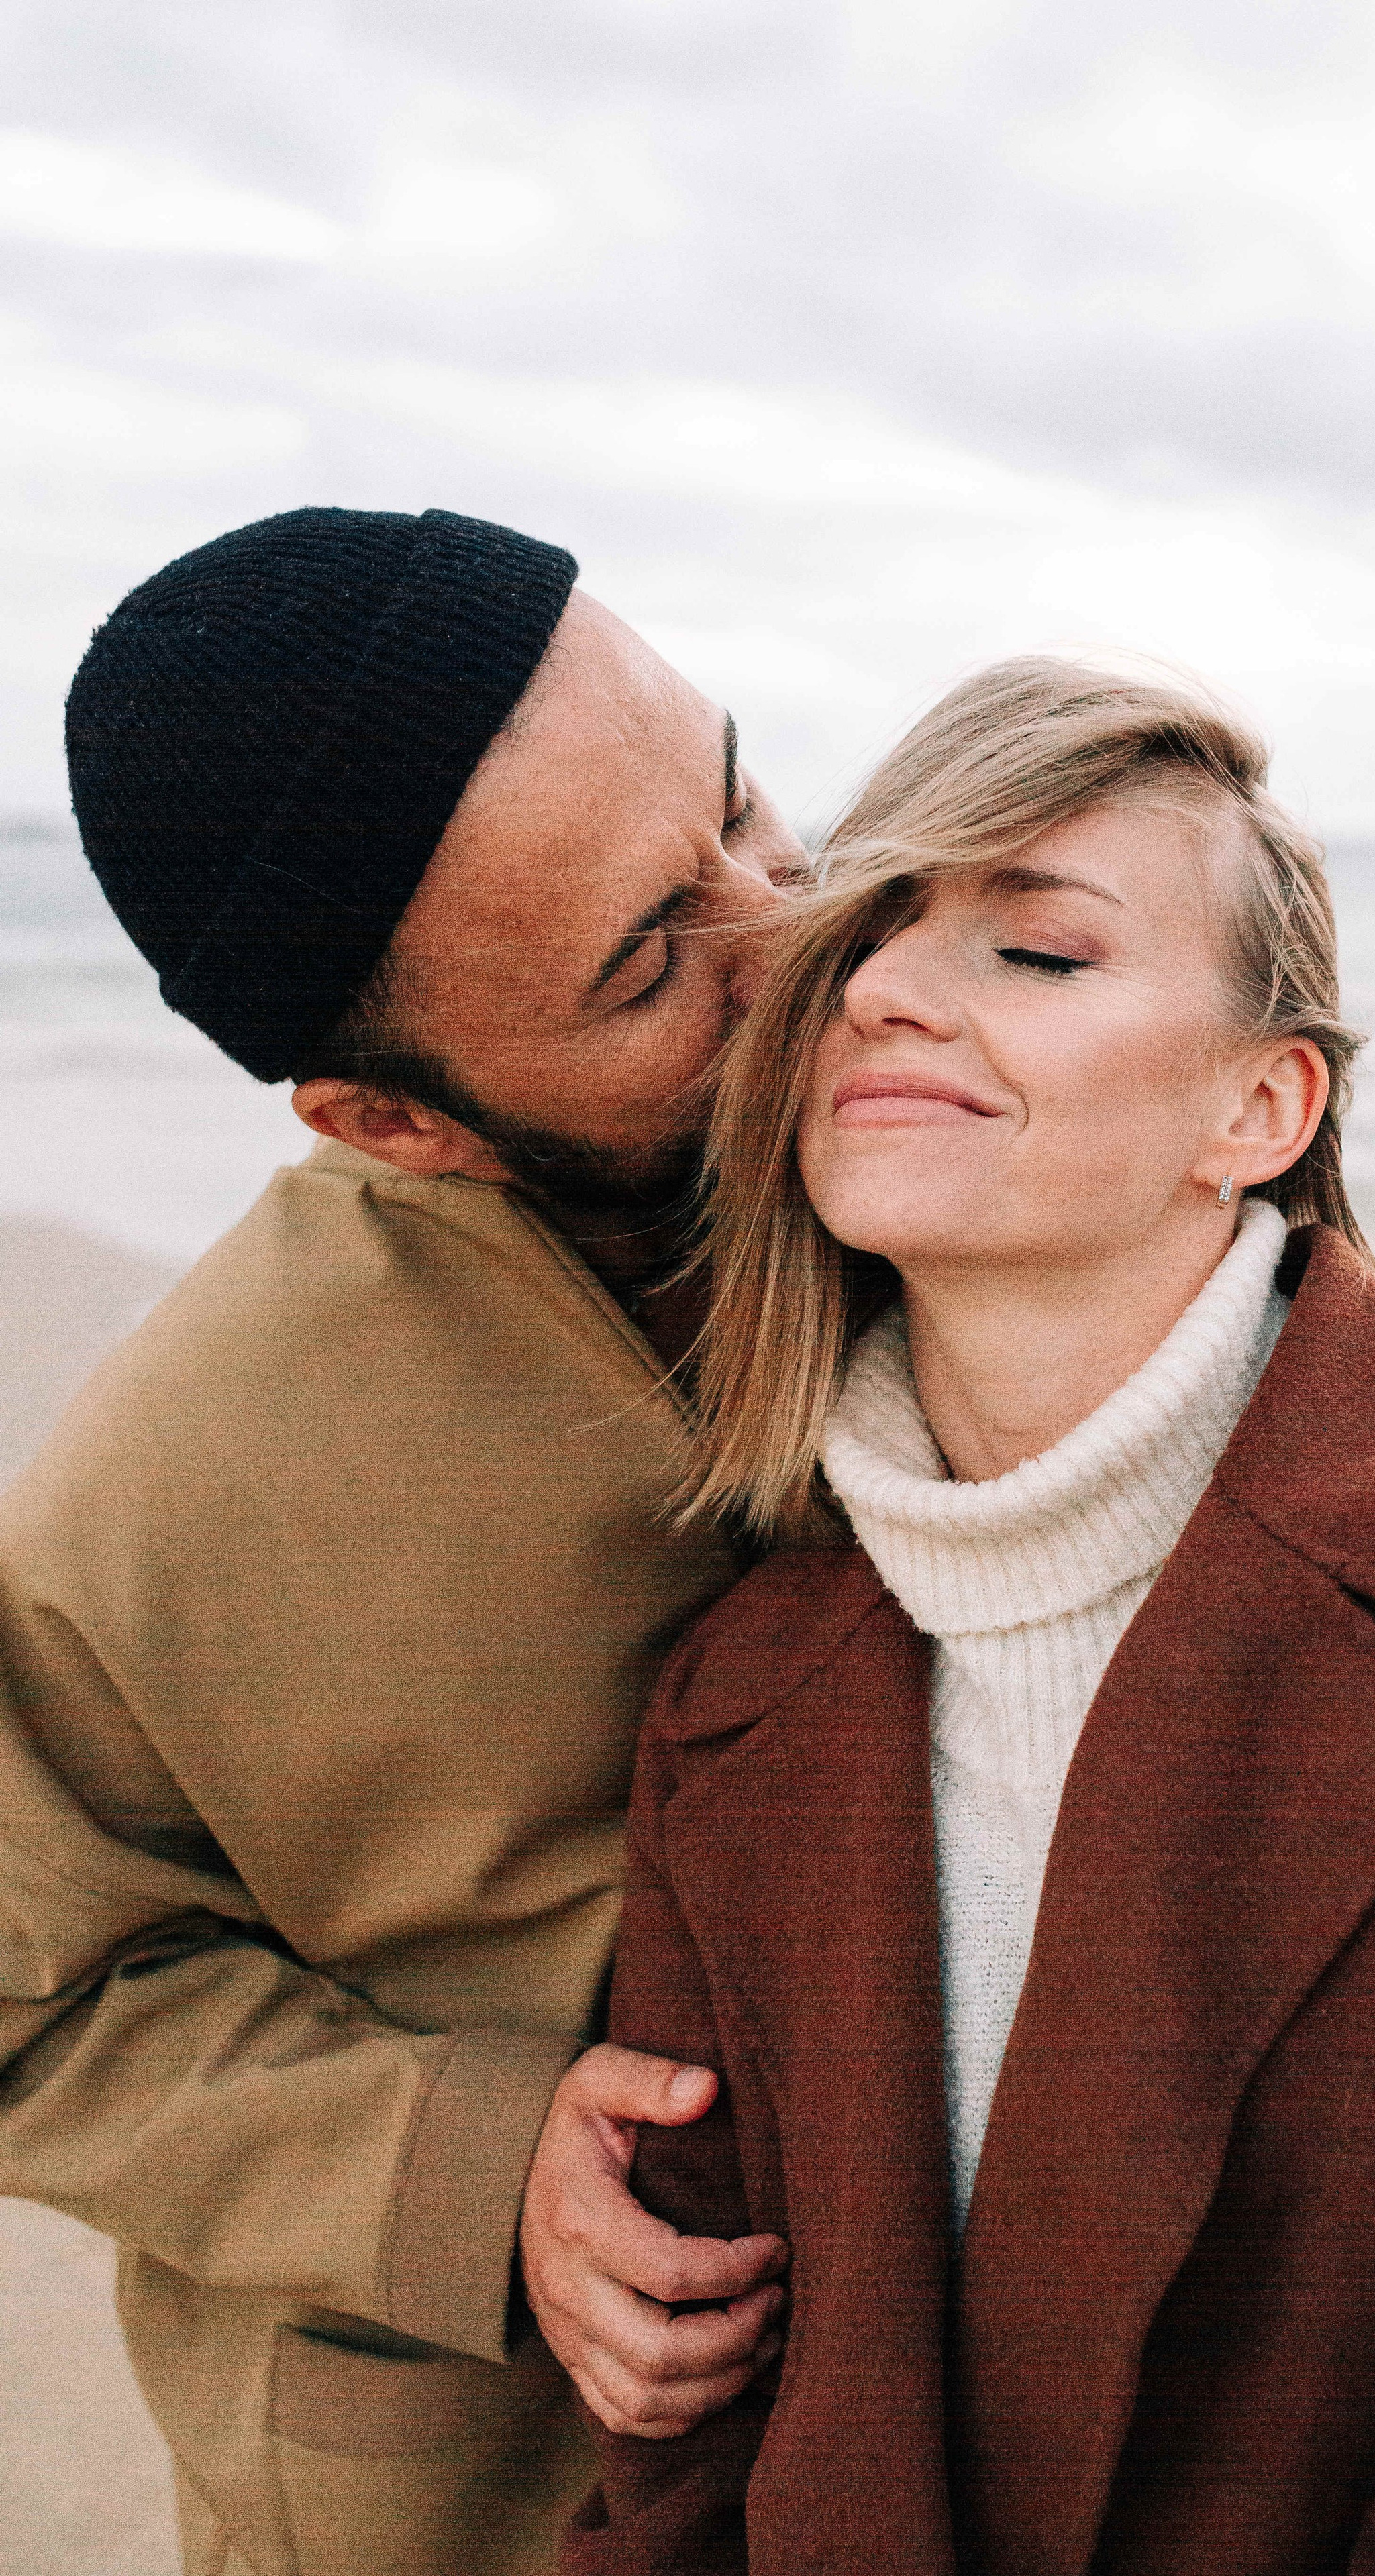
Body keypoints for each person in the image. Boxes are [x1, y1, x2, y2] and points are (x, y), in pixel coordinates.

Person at [565, 657, 1375, 2572]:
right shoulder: (733, 1689)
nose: (884, 989)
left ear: (1260, 1106)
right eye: (866, 934)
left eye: (1040, 950)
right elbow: (692, 2452)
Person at [0, 508, 799, 2576]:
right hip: (460, 2497)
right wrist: (467, 2164)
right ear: (391, 1119)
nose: (795, 940)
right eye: (652, 960)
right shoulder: (167, 1491)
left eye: (745, 802)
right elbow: (29, 2007)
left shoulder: (972, 1137)